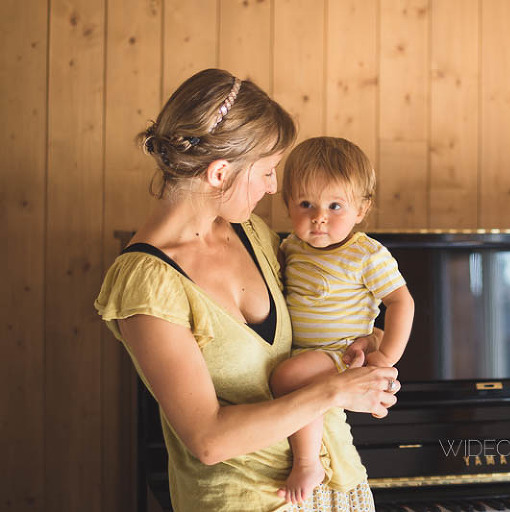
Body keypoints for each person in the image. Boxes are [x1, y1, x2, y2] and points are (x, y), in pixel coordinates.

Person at [94, 69, 400, 512]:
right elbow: (208, 440)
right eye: (268, 171)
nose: (274, 187)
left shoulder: (253, 233)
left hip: (336, 485)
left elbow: (320, 312)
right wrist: (336, 391)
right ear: (220, 173)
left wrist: (366, 338)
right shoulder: (146, 281)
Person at [269, 137, 415, 504]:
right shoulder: (290, 247)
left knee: (289, 377)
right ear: (288, 204)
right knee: (292, 371)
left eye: (335, 205)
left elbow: (401, 302)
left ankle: (308, 464)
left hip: (342, 353)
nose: (319, 217)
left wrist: (386, 357)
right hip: (306, 350)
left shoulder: (367, 255)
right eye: (306, 204)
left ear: (362, 209)